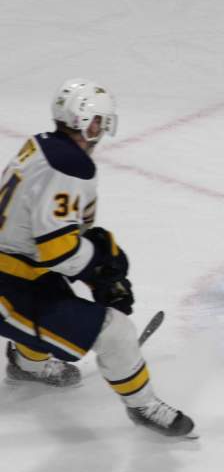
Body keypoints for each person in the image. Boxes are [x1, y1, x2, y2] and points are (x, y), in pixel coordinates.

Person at [0, 79, 194, 437]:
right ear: (86, 122)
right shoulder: (69, 166)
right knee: (115, 331)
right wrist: (101, 267)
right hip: (9, 285)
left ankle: (28, 364)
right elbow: (57, 250)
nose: (101, 131)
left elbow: (43, 237)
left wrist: (97, 268)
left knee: (52, 295)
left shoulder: (43, 145)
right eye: (99, 122)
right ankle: (143, 406)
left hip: (17, 268)